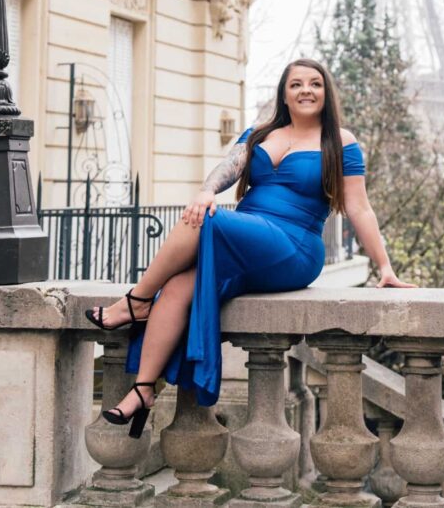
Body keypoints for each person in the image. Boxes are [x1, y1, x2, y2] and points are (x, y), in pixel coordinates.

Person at [85, 58, 415, 438]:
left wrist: (385, 267)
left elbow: (359, 206)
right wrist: (208, 191)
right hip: (248, 236)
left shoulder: (341, 141)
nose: (305, 90)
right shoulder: (260, 132)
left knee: (206, 218)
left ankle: (136, 300)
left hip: (294, 246)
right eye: (296, 84)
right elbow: (229, 167)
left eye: (314, 83)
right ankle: (144, 389)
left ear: (326, 93)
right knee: (176, 287)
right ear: (284, 94)